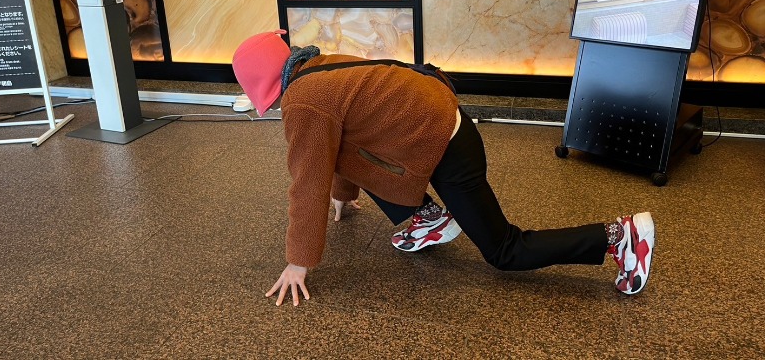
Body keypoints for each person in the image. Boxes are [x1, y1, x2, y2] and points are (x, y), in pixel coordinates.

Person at [232, 30, 655, 307]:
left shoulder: (303, 101)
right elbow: (337, 146)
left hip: (444, 144)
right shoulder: (316, 68)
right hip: (433, 125)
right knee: (336, 148)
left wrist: (299, 261)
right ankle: (429, 218)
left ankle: (620, 237)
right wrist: (343, 197)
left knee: (505, 250)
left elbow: (307, 180)